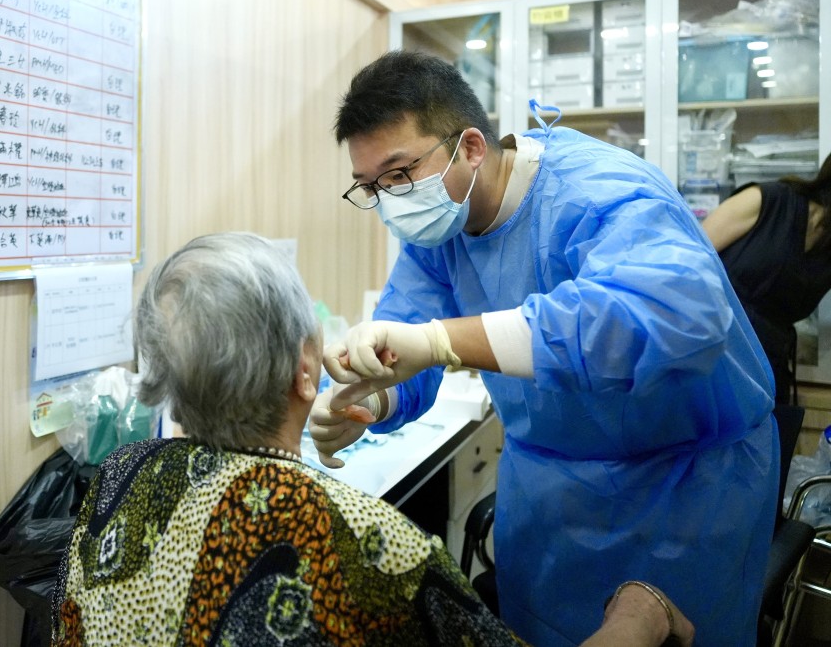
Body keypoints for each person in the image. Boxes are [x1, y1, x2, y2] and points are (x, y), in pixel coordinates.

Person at [309, 50, 777, 647]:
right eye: (371, 187)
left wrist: (440, 342)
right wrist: (367, 401)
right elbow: (404, 338)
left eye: (400, 175)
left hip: (683, 496)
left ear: (471, 146)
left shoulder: (596, 191)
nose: (391, 200)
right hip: (549, 500)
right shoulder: (440, 232)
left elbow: (674, 314)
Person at [50, 231, 694, 646]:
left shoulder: (118, 477)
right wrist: (640, 617)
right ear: (308, 372)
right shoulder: (372, 546)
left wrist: (390, 392)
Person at [701, 153, 831, 404]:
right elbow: (686, 263)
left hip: (765, 372)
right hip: (707, 359)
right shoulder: (770, 200)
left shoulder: (827, 250)